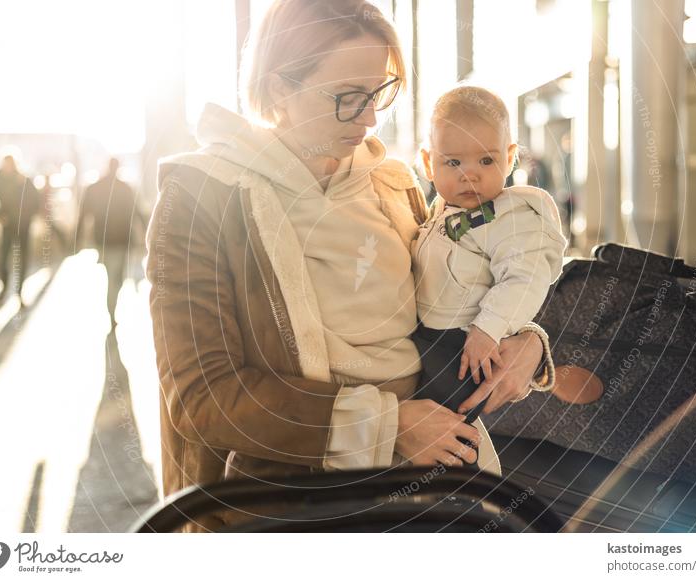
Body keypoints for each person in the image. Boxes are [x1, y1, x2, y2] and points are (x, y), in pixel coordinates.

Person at [146, 0, 554, 532]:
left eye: (379, 94)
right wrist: (385, 428)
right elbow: (204, 397)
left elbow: (466, 283)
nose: (368, 118)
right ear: (277, 92)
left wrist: (526, 341)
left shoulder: (393, 181)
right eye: (347, 98)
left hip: (436, 476)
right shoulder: (202, 199)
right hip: (282, 501)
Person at [410, 86, 567, 472]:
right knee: (437, 427)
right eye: (452, 163)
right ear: (429, 164)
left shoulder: (510, 217)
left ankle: (471, 494)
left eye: (485, 160)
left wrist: (489, 329)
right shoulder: (438, 212)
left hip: (464, 343)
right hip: (428, 338)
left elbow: (525, 280)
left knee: (450, 428)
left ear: (510, 158)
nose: (470, 176)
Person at [77, 158, 146, 327]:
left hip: (105, 239)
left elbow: (84, 213)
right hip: (121, 239)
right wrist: (145, 232)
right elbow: (137, 211)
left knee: (113, 276)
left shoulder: (95, 187)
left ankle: (111, 309)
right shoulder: (125, 188)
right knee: (118, 278)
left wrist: (77, 238)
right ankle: (111, 311)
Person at [0, 154, 40, 304]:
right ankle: (4, 290)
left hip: (23, 226)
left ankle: (19, 291)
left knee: (23, 259)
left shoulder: (23, 179)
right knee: (3, 259)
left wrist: (27, 216)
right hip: (7, 226)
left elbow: (36, 201)